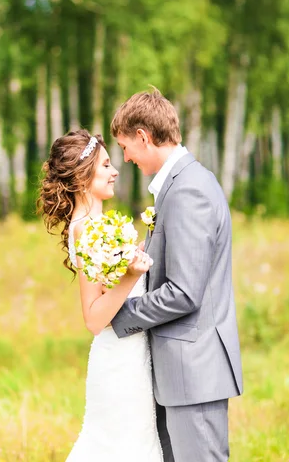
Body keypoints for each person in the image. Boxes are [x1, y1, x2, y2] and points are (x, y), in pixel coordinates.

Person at [110, 89, 243, 462]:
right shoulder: (179, 185)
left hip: (194, 371)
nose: (126, 158)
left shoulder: (188, 190)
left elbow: (184, 292)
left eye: (125, 146)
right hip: (182, 371)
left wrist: (118, 314)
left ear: (143, 136)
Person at [37, 128, 163, 462]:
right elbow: (93, 318)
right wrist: (132, 275)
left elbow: (112, 283)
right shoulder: (86, 228)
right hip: (119, 359)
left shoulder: (97, 222)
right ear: (82, 176)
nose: (115, 170)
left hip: (133, 353)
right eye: (105, 165)